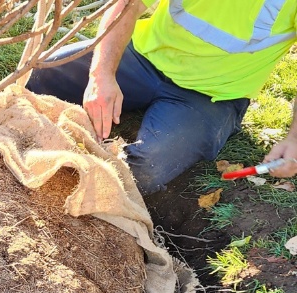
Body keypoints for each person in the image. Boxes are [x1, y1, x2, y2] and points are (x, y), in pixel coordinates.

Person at [27, 0, 297, 194]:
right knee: (41, 75)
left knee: (145, 170)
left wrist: (294, 139)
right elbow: (127, 6)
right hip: (143, 56)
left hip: (211, 95)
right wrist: (101, 76)